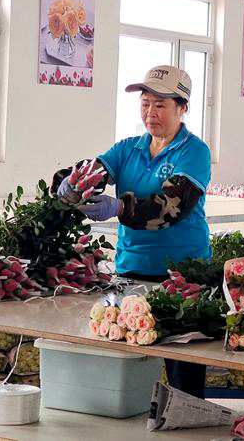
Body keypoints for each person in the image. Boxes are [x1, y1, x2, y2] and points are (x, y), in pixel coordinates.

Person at [52, 65, 210, 398]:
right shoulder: (127, 149)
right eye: (145, 103)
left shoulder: (194, 152)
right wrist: (69, 181)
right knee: (129, 358)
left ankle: (187, 417)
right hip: (132, 271)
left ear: (182, 108)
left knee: (183, 368)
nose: (151, 112)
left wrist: (119, 208)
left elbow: (171, 207)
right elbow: (94, 170)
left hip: (183, 277)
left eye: (160, 105)